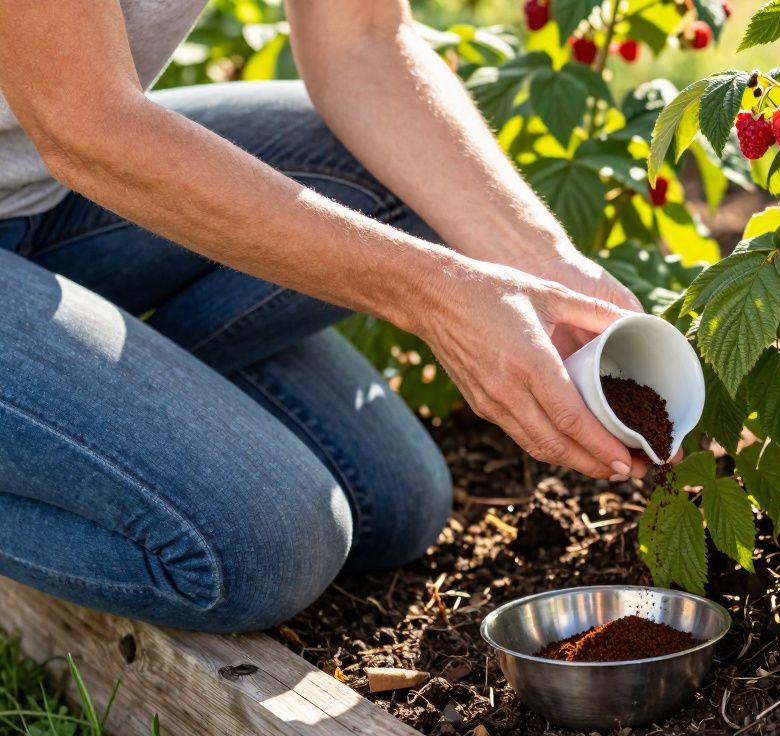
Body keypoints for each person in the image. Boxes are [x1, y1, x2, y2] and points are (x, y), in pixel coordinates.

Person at [0, 0, 651, 633]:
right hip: (78, 139)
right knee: (267, 545)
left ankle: (83, 416)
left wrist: (542, 262)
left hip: (47, 199)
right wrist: (435, 293)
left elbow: (362, 38)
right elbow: (85, 123)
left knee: (391, 505)